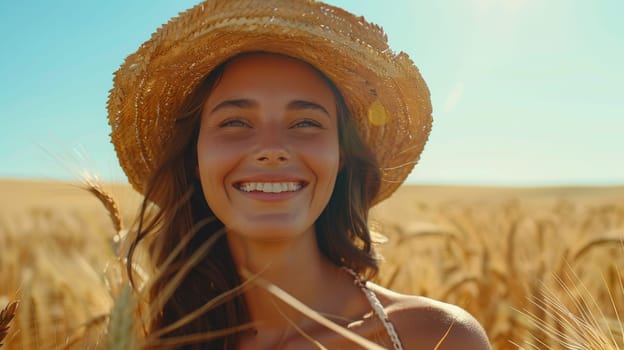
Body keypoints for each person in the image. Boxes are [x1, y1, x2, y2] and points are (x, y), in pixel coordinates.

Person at [107, 0, 491, 349]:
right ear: (195, 158)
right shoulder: (157, 342)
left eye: (306, 122)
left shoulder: (437, 337)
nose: (272, 148)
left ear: (341, 156)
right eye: (236, 121)